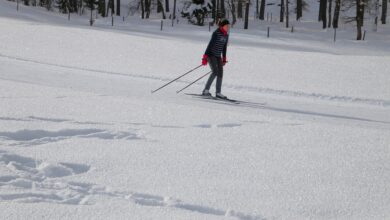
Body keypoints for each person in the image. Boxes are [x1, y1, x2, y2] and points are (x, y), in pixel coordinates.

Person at [201, 19, 230, 99]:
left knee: (220, 72)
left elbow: (224, 48)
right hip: (211, 54)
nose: (228, 28)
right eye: (227, 26)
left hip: (218, 56)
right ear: (222, 26)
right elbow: (210, 45)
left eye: (228, 26)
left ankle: (218, 92)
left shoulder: (226, 35)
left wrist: (224, 58)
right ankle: (205, 90)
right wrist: (205, 56)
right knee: (215, 72)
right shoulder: (216, 33)